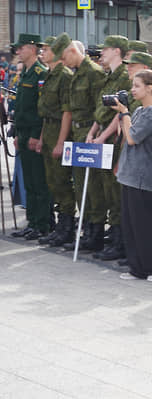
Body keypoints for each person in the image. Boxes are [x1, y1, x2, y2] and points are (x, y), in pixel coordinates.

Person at [110, 69, 152, 282]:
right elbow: (124, 134)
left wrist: (125, 113)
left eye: (137, 86)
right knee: (130, 224)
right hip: (129, 173)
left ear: (149, 88)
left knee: (143, 224)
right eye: (132, 86)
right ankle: (138, 267)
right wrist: (123, 114)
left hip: (142, 175)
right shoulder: (139, 110)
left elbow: (133, 138)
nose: (132, 90)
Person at [59, 37, 106, 251]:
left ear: (72, 51)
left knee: (93, 185)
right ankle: (86, 228)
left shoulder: (94, 72)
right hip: (78, 133)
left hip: (90, 133)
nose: (63, 60)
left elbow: (101, 107)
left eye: (64, 55)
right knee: (80, 184)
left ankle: (95, 233)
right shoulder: (76, 74)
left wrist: (96, 134)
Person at [87, 35, 131, 261]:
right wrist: (92, 131)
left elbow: (121, 112)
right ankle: (110, 237)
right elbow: (101, 110)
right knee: (104, 188)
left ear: (116, 51)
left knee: (114, 191)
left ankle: (119, 241)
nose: (101, 53)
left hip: (114, 138)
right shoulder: (109, 77)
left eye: (105, 49)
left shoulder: (124, 76)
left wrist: (103, 135)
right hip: (102, 136)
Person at [36, 34, 74, 248]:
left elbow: (66, 111)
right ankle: (61, 226)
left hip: (60, 130)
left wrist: (60, 142)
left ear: (57, 53)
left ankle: (67, 227)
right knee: (52, 181)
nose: (43, 52)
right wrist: (42, 138)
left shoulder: (64, 76)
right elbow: (46, 112)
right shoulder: (50, 75)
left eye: (46, 49)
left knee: (61, 180)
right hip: (49, 129)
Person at [11, 33, 50, 241]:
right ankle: (33, 221)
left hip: (34, 133)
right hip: (24, 133)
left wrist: (37, 136)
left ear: (33, 48)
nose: (18, 52)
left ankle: (43, 223)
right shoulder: (25, 73)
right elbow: (20, 107)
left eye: (21, 48)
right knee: (29, 182)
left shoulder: (40, 73)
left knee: (39, 181)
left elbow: (42, 109)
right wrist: (17, 133)